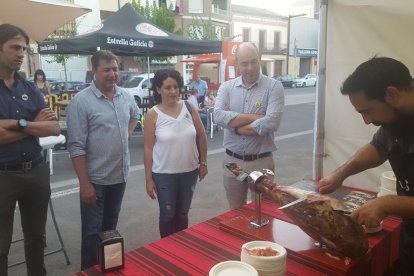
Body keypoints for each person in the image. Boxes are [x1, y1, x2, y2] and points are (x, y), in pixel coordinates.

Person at [316, 57, 414, 275]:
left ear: (392, 94)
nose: (366, 121)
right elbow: (379, 147)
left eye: (367, 111)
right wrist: (341, 174)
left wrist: (387, 204)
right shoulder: (397, 116)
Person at [66, 50, 139, 270]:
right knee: (91, 233)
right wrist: (85, 184)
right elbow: (75, 146)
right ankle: (89, 271)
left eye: (115, 69)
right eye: (106, 69)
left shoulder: (125, 96)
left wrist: (125, 134)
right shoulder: (81, 102)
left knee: (109, 230)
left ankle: (107, 268)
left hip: (119, 176)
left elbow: (136, 115)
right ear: (94, 71)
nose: (112, 74)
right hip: (95, 181)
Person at [0, 24, 60, 276]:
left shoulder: (29, 88)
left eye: (24, 48)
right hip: (4, 176)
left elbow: (54, 128)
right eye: (15, 47)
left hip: (36, 171)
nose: (21, 53)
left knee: (36, 237)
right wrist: (34, 124)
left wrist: (17, 123)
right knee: (0, 244)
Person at [214, 42, 285, 210]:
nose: (249, 67)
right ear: (237, 65)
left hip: (260, 163)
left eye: (253, 61)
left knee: (262, 211)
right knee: (236, 211)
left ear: (260, 59)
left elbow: (271, 122)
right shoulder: (227, 88)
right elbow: (218, 116)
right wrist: (255, 117)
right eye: (244, 63)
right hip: (234, 163)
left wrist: (234, 125)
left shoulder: (274, 87)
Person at [144, 68, 208, 238]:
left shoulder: (189, 107)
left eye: (175, 87)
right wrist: (148, 179)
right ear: (158, 89)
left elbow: (201, 136)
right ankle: (166, 249)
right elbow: (148, 148)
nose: (173, 91)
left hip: (189, 172)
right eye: (167, 87)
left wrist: (203, 163)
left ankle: (181, 245)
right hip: (164, 175)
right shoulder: (152, 114)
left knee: (182, 214)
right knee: (167, 216)